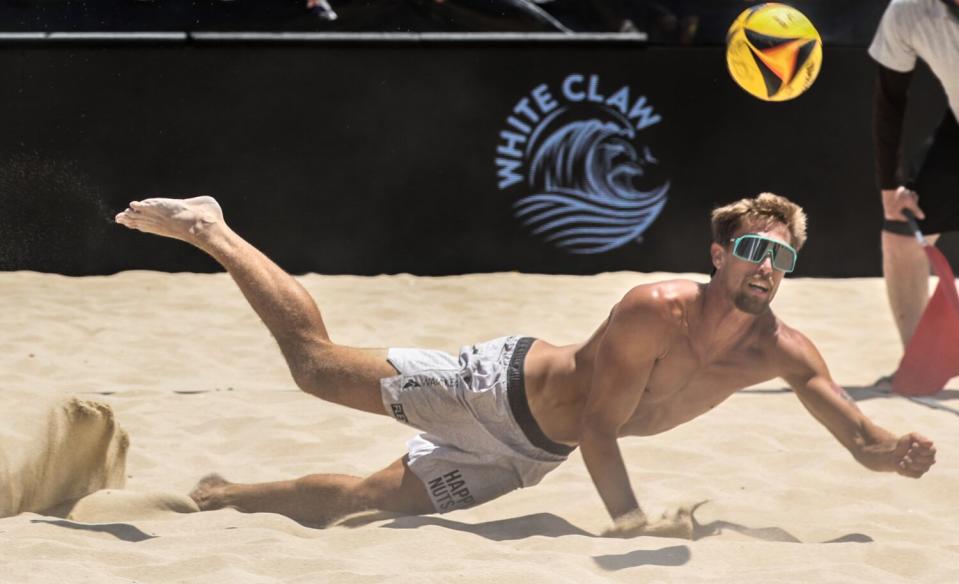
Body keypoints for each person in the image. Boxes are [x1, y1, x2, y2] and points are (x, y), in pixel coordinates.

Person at [114, 192, 936, 537]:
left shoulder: (782, 352)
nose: (766, 266)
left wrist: (891, 456)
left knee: (367, 506)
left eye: (781, 258)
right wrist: (627, 520)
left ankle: (213, 498)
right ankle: (211, 229)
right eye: (753, 250)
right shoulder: (657, 307)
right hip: (493, 388)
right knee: (316, 368)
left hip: (528, 456)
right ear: (719, 254)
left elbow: (855, 433)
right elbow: (597, 423)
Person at [869, 0, 959, 349]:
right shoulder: (908, 10)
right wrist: (890, 187)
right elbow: (889, 101)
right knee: (902, 230)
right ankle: (920, 359)